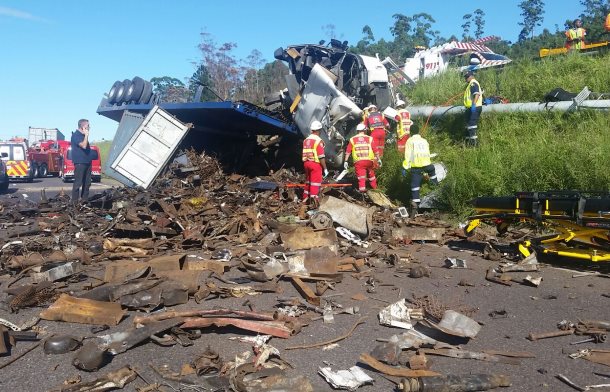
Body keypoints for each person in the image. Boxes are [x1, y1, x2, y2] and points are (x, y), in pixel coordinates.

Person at [402, 126, 438, 215]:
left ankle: (415, 205)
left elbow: (408, 155)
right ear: (418, 131)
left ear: (410, 132)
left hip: (417, 166)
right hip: (427, 164)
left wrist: (405, 167)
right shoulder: (424, 140)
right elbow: (427, 152)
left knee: (415, 185)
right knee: (432, 172)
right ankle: (436, 187)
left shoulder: (410, 141)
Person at [301, 120, 328, 211]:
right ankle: (314, 205)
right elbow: (321, 156)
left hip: (306, 163)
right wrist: (325, 168)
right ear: (319, 130)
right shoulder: (318, 141)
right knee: (315, 184)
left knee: (308, 183)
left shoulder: (306, 140)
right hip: (315, 165)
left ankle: (304, 202)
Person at [344, 123, 378, 193]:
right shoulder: (369, 138)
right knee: (371, 175)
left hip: (359, 162)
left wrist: (346, 161)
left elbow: (348, 152)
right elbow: (375, 150)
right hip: (369, 161)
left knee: (361, 177)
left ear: (357, 131)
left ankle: (362, 192)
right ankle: (375, 188)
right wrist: (378, 158)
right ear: (364, 130)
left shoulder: (352, 139)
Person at [71, 119, 93, 206]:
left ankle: (84, 201)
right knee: (78, 183)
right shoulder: (76, 136)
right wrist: (86, 135)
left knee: (87, 183)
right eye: (88, 126)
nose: (89, 128)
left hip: (87, 162)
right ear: (83, 127)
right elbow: (83, 146)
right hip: (80, 162)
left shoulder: (82, 135)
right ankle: (74, 203)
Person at [463, 71, 482, 147]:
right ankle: (468, 144)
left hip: (475, 107)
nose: (465, 78)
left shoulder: (473, 83)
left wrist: (474, 105)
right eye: (465, 77)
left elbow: (476, 94)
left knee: (472, 125)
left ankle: (474, 145)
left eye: (467, 77)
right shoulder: (471, 84)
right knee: (468, 125)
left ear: (471, 76)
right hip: (470, 108)